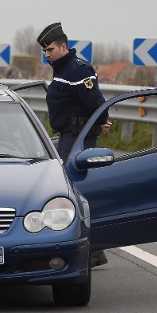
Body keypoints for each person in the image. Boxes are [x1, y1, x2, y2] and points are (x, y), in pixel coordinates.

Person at [38, 22, 112, 268]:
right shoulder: (62, 70)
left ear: (63, 47)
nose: (47, 54)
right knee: (69, 191)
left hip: (78, 138)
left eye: (50, 50)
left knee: (72, 192)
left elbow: (95, 102)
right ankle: (87, 249)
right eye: (45, 51)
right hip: (69, 136)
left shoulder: (78, 70)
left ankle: (91, 251)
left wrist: (101, 122)